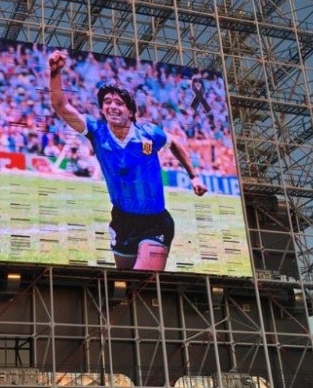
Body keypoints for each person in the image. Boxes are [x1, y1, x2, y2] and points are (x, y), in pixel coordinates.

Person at [48, 50, 208, 271]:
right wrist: (55, 73)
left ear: (130, 111)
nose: (112, 106)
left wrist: (194, 176)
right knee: (125, 286)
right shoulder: (96, 131)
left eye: (119, 103)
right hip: (122, 221)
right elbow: (61, 107)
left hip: (154, 223)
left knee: (142, 286)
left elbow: (175, 144)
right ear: (102, 110)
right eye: (107, 102)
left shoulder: (149, 133)